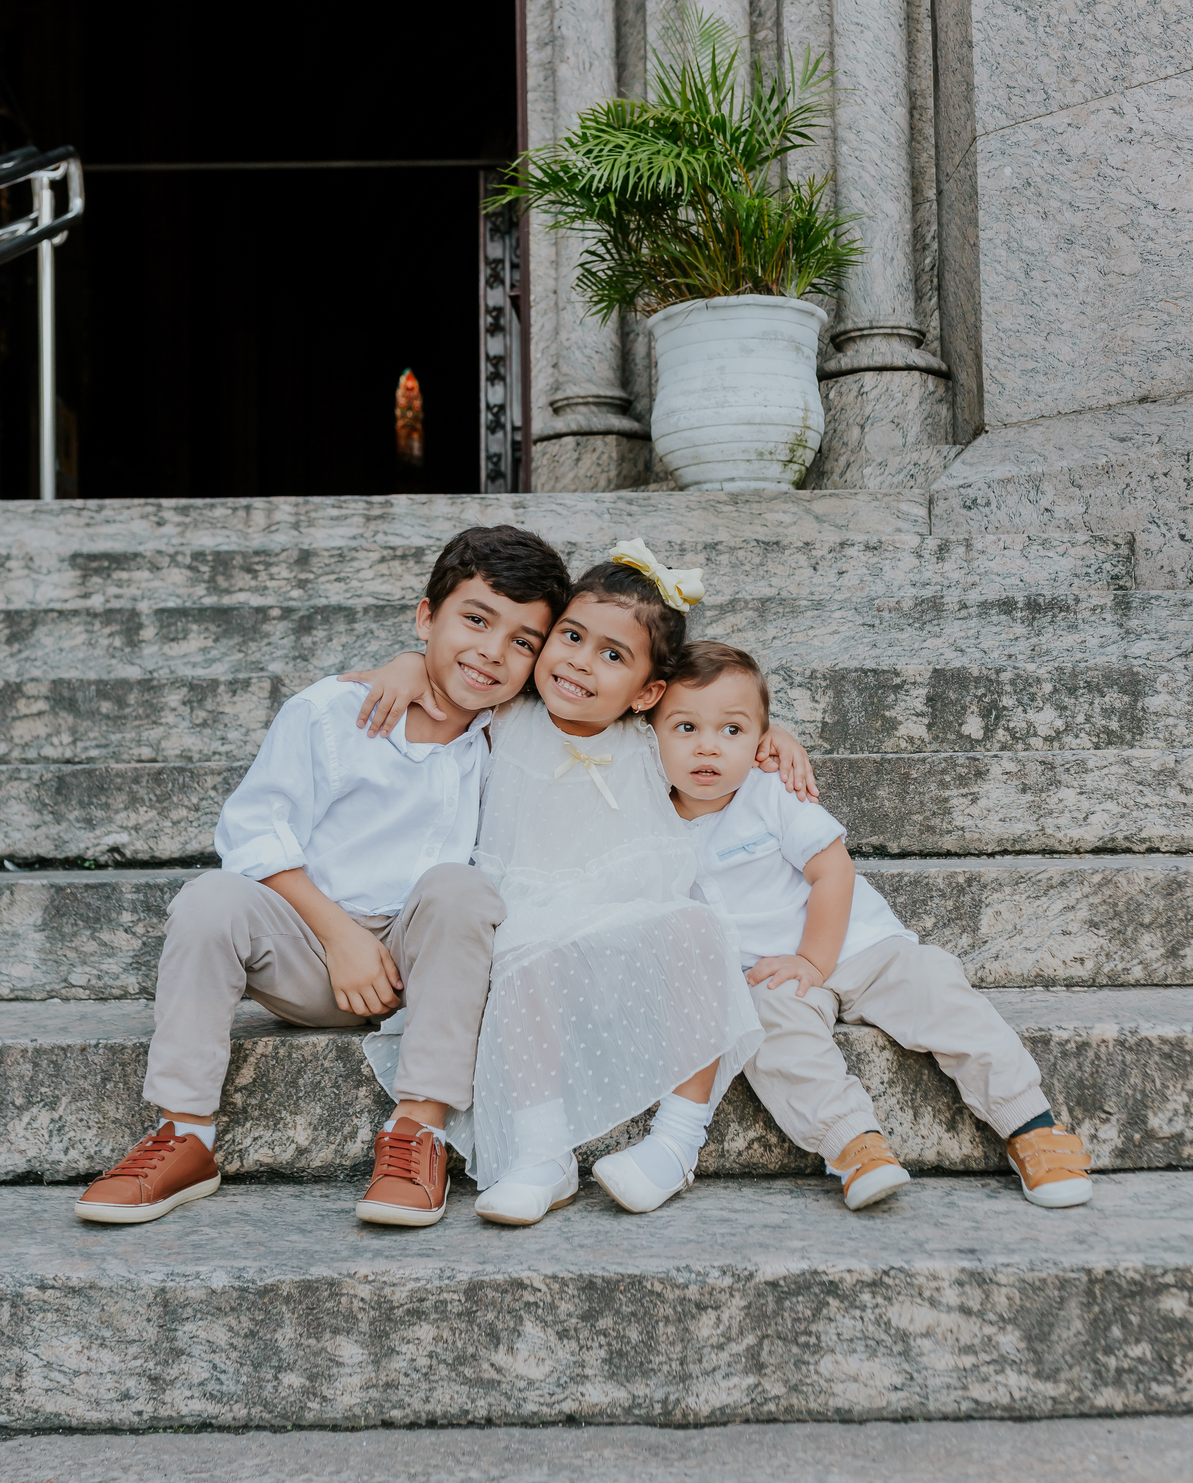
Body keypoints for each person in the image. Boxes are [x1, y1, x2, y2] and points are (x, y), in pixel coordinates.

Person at [73, 524, 572, 1229]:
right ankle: (186, 1134)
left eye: (523, 640)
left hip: (426, 959)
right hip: (310, 949)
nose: (493, 651)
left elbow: (629, 708)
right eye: (476, 619)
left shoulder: (510, 731)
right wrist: (338, 935)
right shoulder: (332, 712)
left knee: (459, 889)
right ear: (426, 616)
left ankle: (418, 1130)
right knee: (209, 900)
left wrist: (760, 737)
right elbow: (250, 831)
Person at [359, 541, 814, 1226]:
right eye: (570, 636)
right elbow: (447, 677)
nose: (578, 661)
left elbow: (713, 723)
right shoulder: (509, 715)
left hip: (630, 915)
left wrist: (770, 734)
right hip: (532, 917)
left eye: (612, 655)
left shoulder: (649, 734)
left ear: (648, 691)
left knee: (701, 929)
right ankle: (543, 1153)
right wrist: (402, 660)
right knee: (519, 954)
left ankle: (675, 1142)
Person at [642, 639, 1094, 1213]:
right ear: (648, 731)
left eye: (731, 731)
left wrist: (814, 959)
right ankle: (855, 1146)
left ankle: (1031, 1127)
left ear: (763, 741)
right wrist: (798, 973)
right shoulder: (649, 817)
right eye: (685, 728)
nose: (709, 746)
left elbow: (833, 871)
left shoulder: (772, 791)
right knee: (769, 1031)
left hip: (861, 946)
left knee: (939, 992)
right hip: (773, 972)